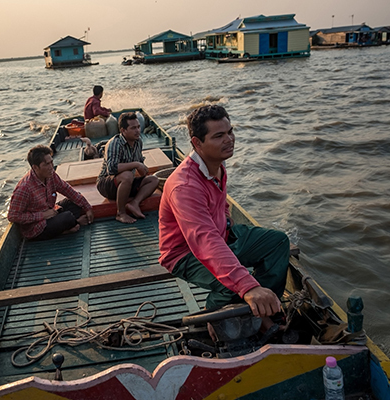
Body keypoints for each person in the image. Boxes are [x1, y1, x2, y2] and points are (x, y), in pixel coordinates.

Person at [158, 105, 290, 323]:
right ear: (197, 143)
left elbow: (222, 204)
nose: (229, 140)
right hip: (185, 253)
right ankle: (216, 322)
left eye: (230, 132)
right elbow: (204, 240)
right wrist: (247, 286)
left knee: (277, 242)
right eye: (219, 136)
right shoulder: (185, 186)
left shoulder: (216, 163)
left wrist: (227, 220)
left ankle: (266, 309)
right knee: (228, 286)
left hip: (223, 234)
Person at [8, 145, 94, 240]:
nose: (51, 167)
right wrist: (42, 215)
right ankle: (73, 224)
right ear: (35, 167)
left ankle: (71, 224)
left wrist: (87, 207)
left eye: (51, 162)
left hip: (51, 212)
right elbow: (13, 216)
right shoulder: (24, 188)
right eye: (46, 164)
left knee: (75, 203)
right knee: (67, 217)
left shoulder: (51, 175)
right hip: (37, 227)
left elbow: (67, 190)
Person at [96, 112, 159, 224]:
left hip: (126, 182)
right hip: (107, 184)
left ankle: (135, 203)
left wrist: (142, 168)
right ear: (123, 130)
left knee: (154, 180)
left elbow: (140, 166)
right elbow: (112, 169)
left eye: (139, 127)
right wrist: (135, 164)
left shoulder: (138, 142)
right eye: (133, 128)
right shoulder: (115, 143)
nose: (138, 131)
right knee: (128, 175)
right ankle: (120, 213)